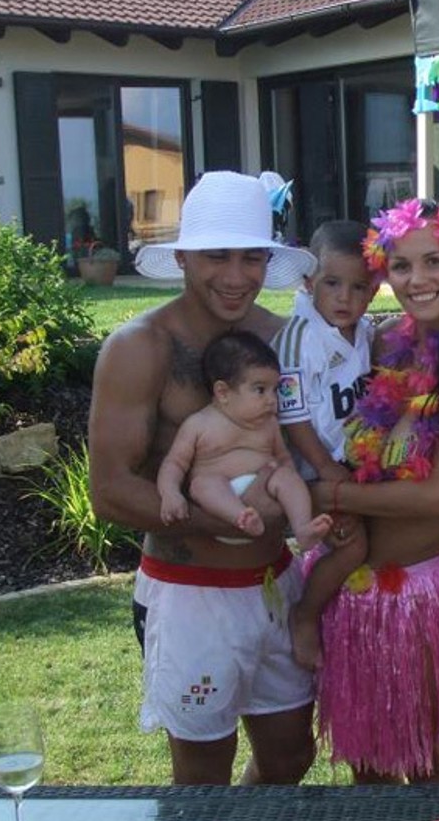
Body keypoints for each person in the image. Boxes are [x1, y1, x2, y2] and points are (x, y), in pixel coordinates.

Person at [88, 170, 320, 786]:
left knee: (291, 757)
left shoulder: (282, 339)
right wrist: (224, 517)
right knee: (201, 777)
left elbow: (318, 448)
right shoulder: (141, 347)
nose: (236, 276)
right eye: (217, 256)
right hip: (188, 592)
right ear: (183, 258)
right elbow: (109, 489)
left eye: (252, 258)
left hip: (274, 585)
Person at [306, 197, 439, 784]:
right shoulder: (381, 340)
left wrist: (329, 497)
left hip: (421, 594)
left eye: (434, 262)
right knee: (367, 771)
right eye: (400, 266)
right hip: (351, 589)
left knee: (430, 768)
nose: (417, 279)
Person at [271, 220, 375, 670]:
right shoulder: (299, 337)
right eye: (332, 283)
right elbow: (292, 414)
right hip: (314, 469)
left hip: (351, 464)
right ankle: (305, 616)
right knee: (353, 546)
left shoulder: (365, 332)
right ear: (308, 281)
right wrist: (326, 469)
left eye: (358, 287)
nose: (344, 297)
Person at [157, 330, 333, 550]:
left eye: (275, 390)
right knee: (201, 485)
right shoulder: (199, 424)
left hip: (267, 491)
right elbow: (175, 463)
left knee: (287, 477)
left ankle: (302, 528)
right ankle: (241, 516)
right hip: (220, 503)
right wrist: (170, 493)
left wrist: (288, 477)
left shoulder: (269, 424)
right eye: (260, 390)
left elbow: (283, 457)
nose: (271, 400)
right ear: (223, 392)